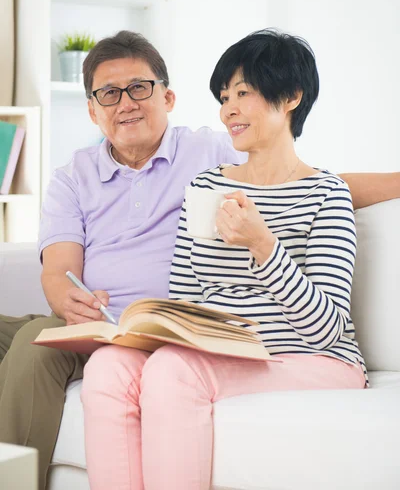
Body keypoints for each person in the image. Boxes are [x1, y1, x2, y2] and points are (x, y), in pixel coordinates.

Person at [0, 30, 397, 490]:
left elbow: (324, 319)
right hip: (188, 342)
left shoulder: (308, 188)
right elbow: (184, 301)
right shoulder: (203, 186)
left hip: (303, 352)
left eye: (243, 93)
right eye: (225, 96)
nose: (228, 108)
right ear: (92, 109)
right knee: (108, 370)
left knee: (168, 369)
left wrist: (263, 246)